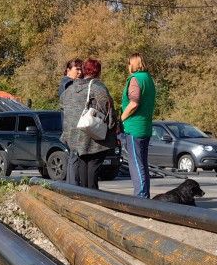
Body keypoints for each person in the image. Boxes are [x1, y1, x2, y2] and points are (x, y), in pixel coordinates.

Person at [61, 58, 119, 189]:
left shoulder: (69, 90)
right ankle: (93, 197)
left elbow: (64, 110)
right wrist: (112, 126)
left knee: (83, 163)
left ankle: (85, 196)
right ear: (98, 72)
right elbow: (108, 110)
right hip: (93, 137)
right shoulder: (98, 87)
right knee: (93, 164)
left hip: (74, 135)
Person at [120, 52, 156, 198]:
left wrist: (121, 118)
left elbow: (134, 102)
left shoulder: (135, 79)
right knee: (142, 164)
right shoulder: (148, 79)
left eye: (129, 63)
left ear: (134, 64)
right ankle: (144, 194)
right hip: (145, 126)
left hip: (134, 127)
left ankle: (141, 197)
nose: (128, 66)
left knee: (136, 164)